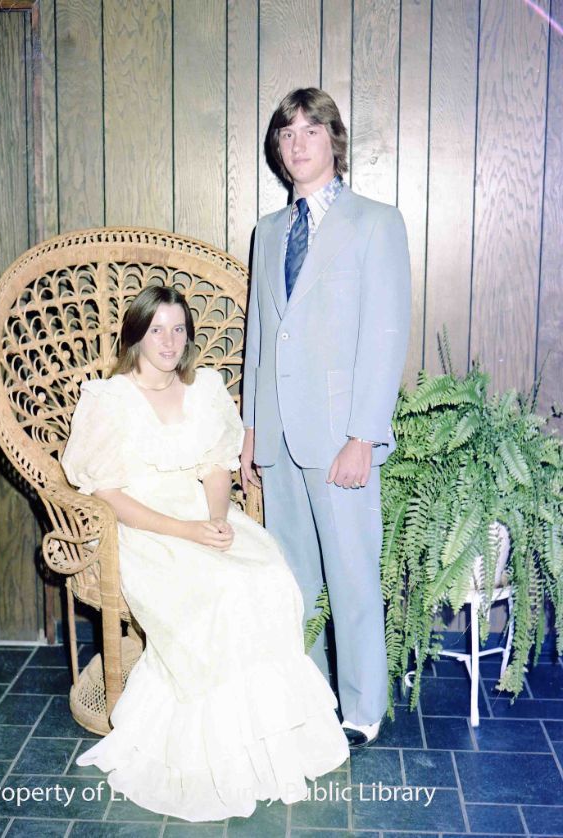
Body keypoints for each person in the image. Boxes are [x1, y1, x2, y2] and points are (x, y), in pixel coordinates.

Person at [61, 285, 349, 822]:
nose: (169, 341)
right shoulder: (110, 399)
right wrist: (186, 531)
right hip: (146, 529)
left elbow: (218, 466)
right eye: (156, 330)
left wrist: (216, 521)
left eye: (178, 329)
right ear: (137, 337)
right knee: (217, 590)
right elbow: (108, 494)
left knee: (266, 577)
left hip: (203, 513)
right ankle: (214, 751)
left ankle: (268, 739)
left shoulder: (206, 388)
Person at [241, 88, 411, 748]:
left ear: (334, 142)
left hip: (342, 437)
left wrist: (363, 435)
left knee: (351, 577)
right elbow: (262, 334)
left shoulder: (376, 223)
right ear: (278, 151)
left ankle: (362, 709)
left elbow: (385, 334)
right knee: (296, 584)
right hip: (280, 436)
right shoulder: (268, 232)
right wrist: (252, 432)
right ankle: (311, 699)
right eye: (286, 134)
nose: (298, 142)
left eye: (311, 130)